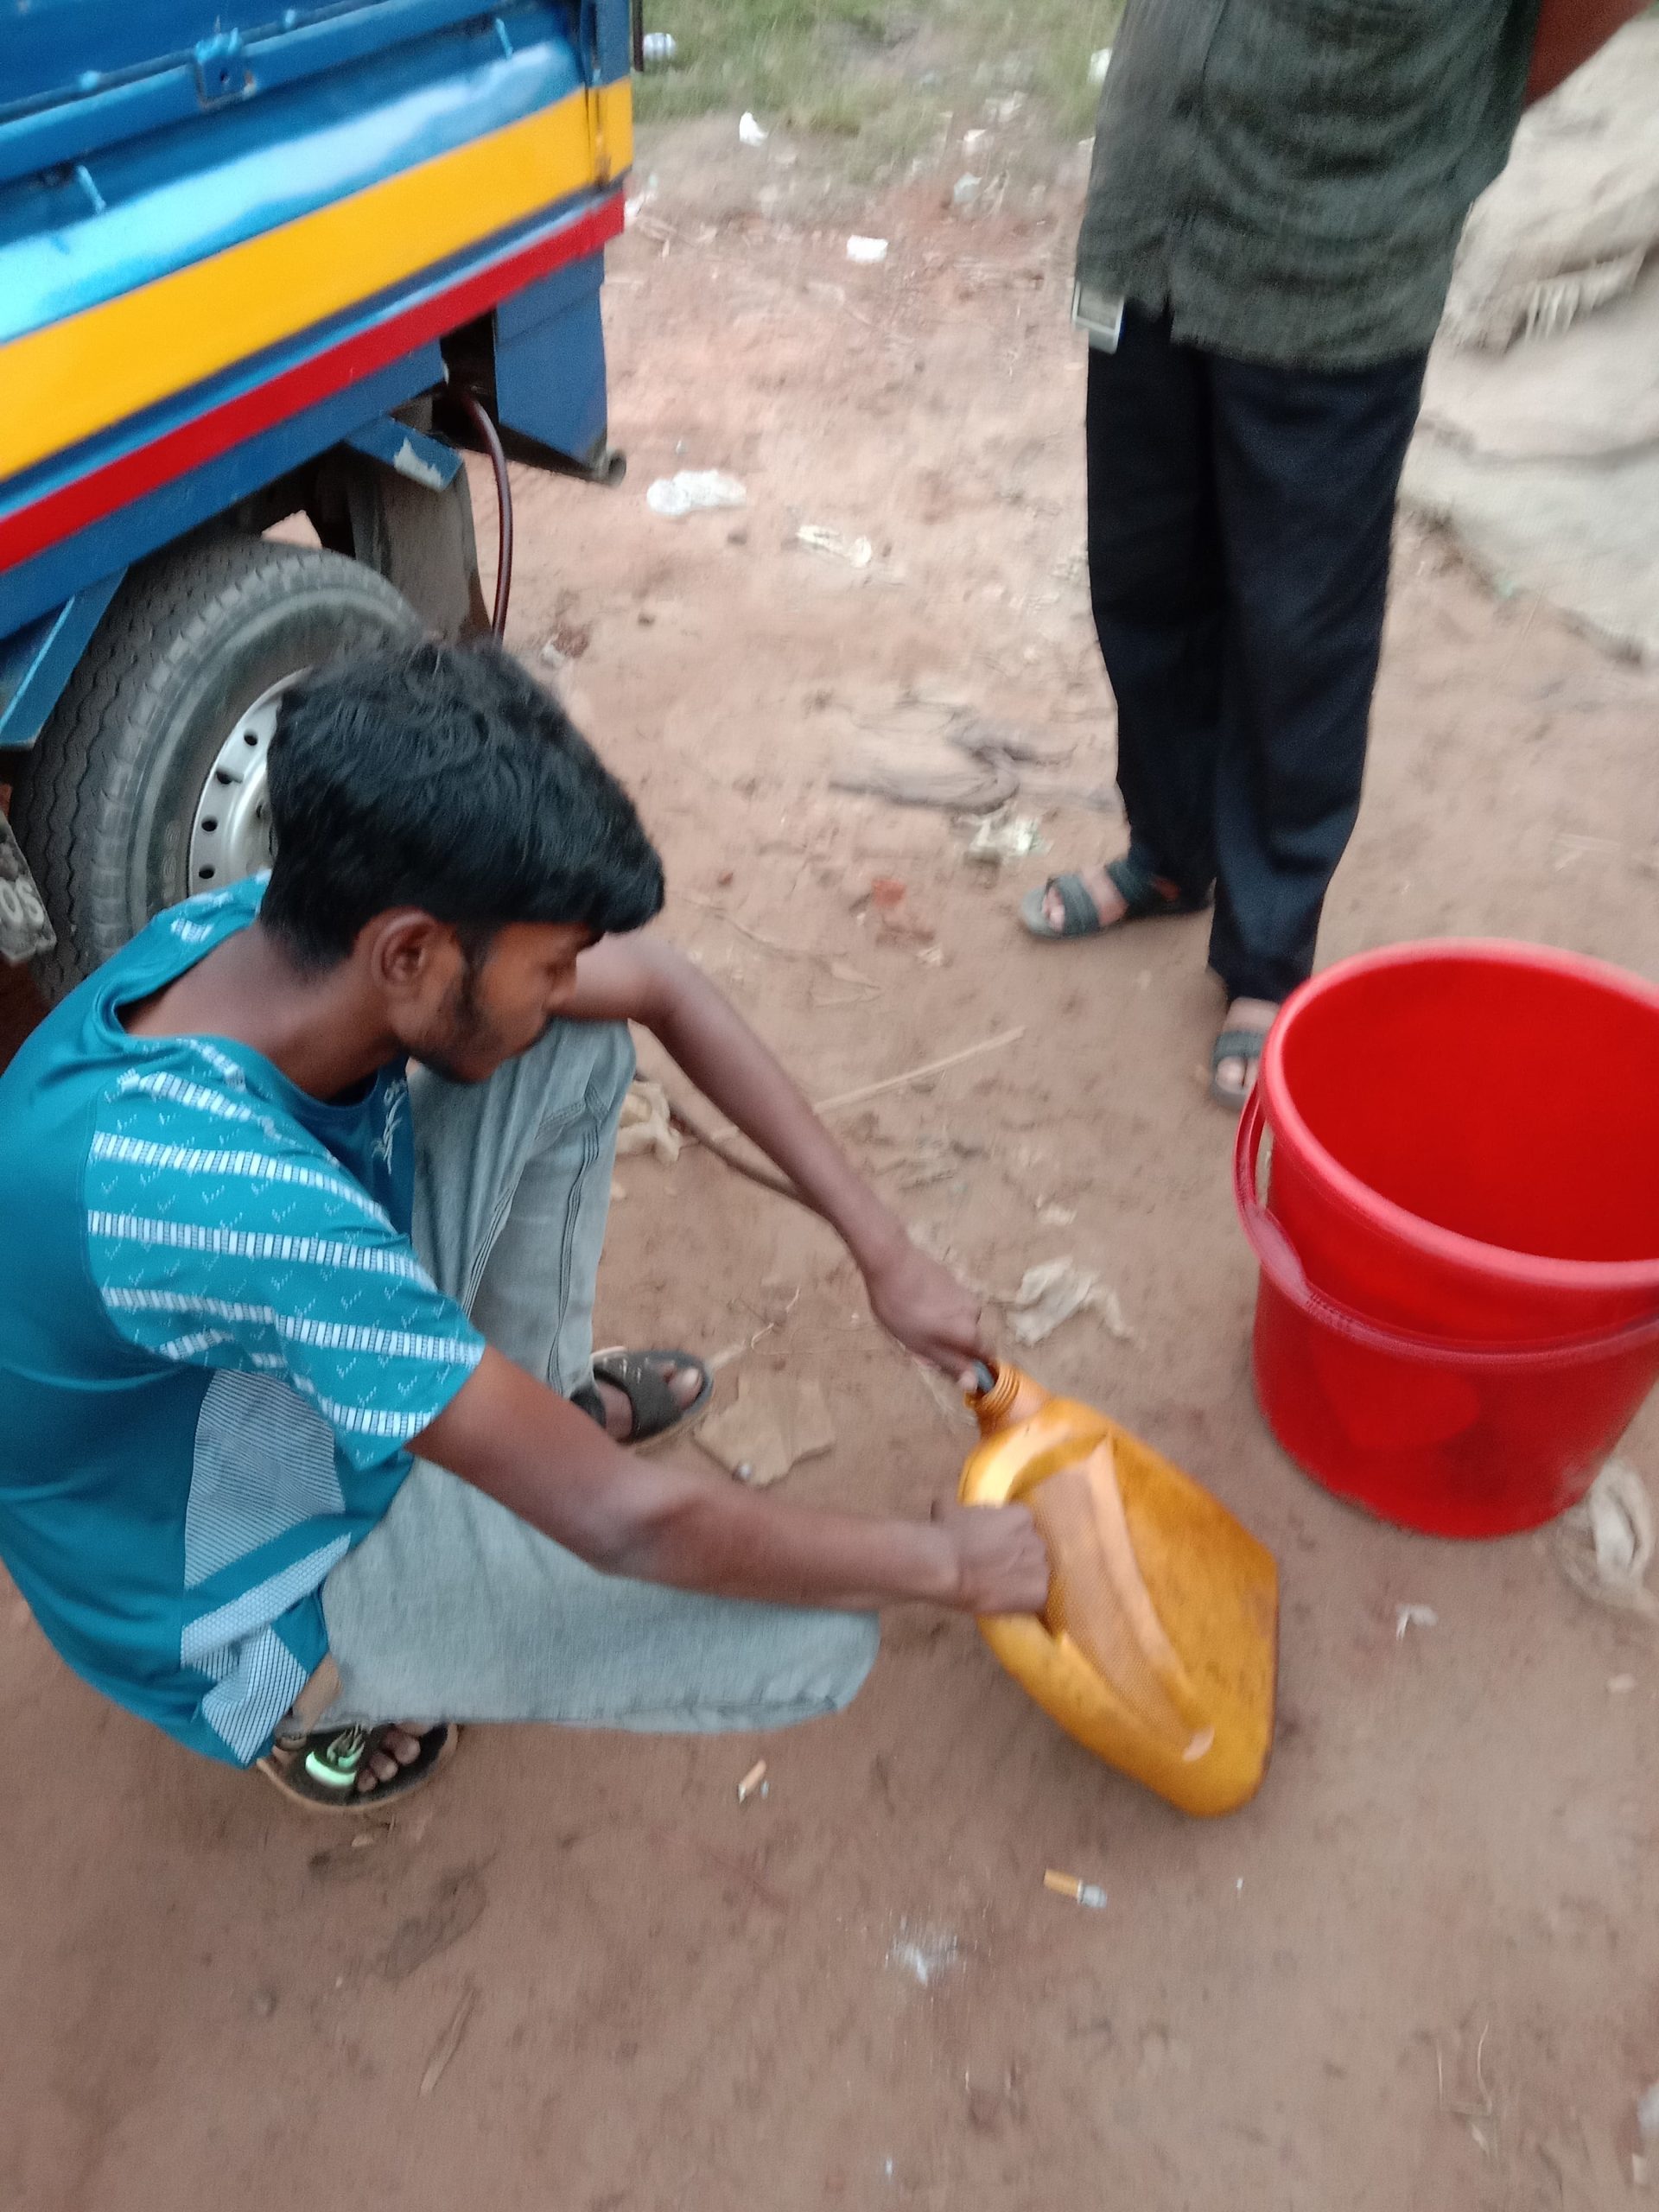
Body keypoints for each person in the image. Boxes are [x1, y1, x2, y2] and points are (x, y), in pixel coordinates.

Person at [0, 643, 1048, 1809]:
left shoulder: (270, 927)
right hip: (208, 1557)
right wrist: (945, 1562)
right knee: (793, 1626)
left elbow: (660, 988)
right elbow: (623, 1524)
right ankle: (311, 1693)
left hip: (270, 1351)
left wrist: (886, 1256)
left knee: (575, 1046)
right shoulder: (228, 1200)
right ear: (410, 951)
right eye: (547, 963)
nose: (563, 983)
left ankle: (523, 1421)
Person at [1021, 0, 1646, 1107]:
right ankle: (1169, 854)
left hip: (1338, 248)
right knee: (1143, 573)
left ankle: (1267, 955)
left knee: (1298, 624)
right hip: (1155, 212)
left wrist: (1456, 125)